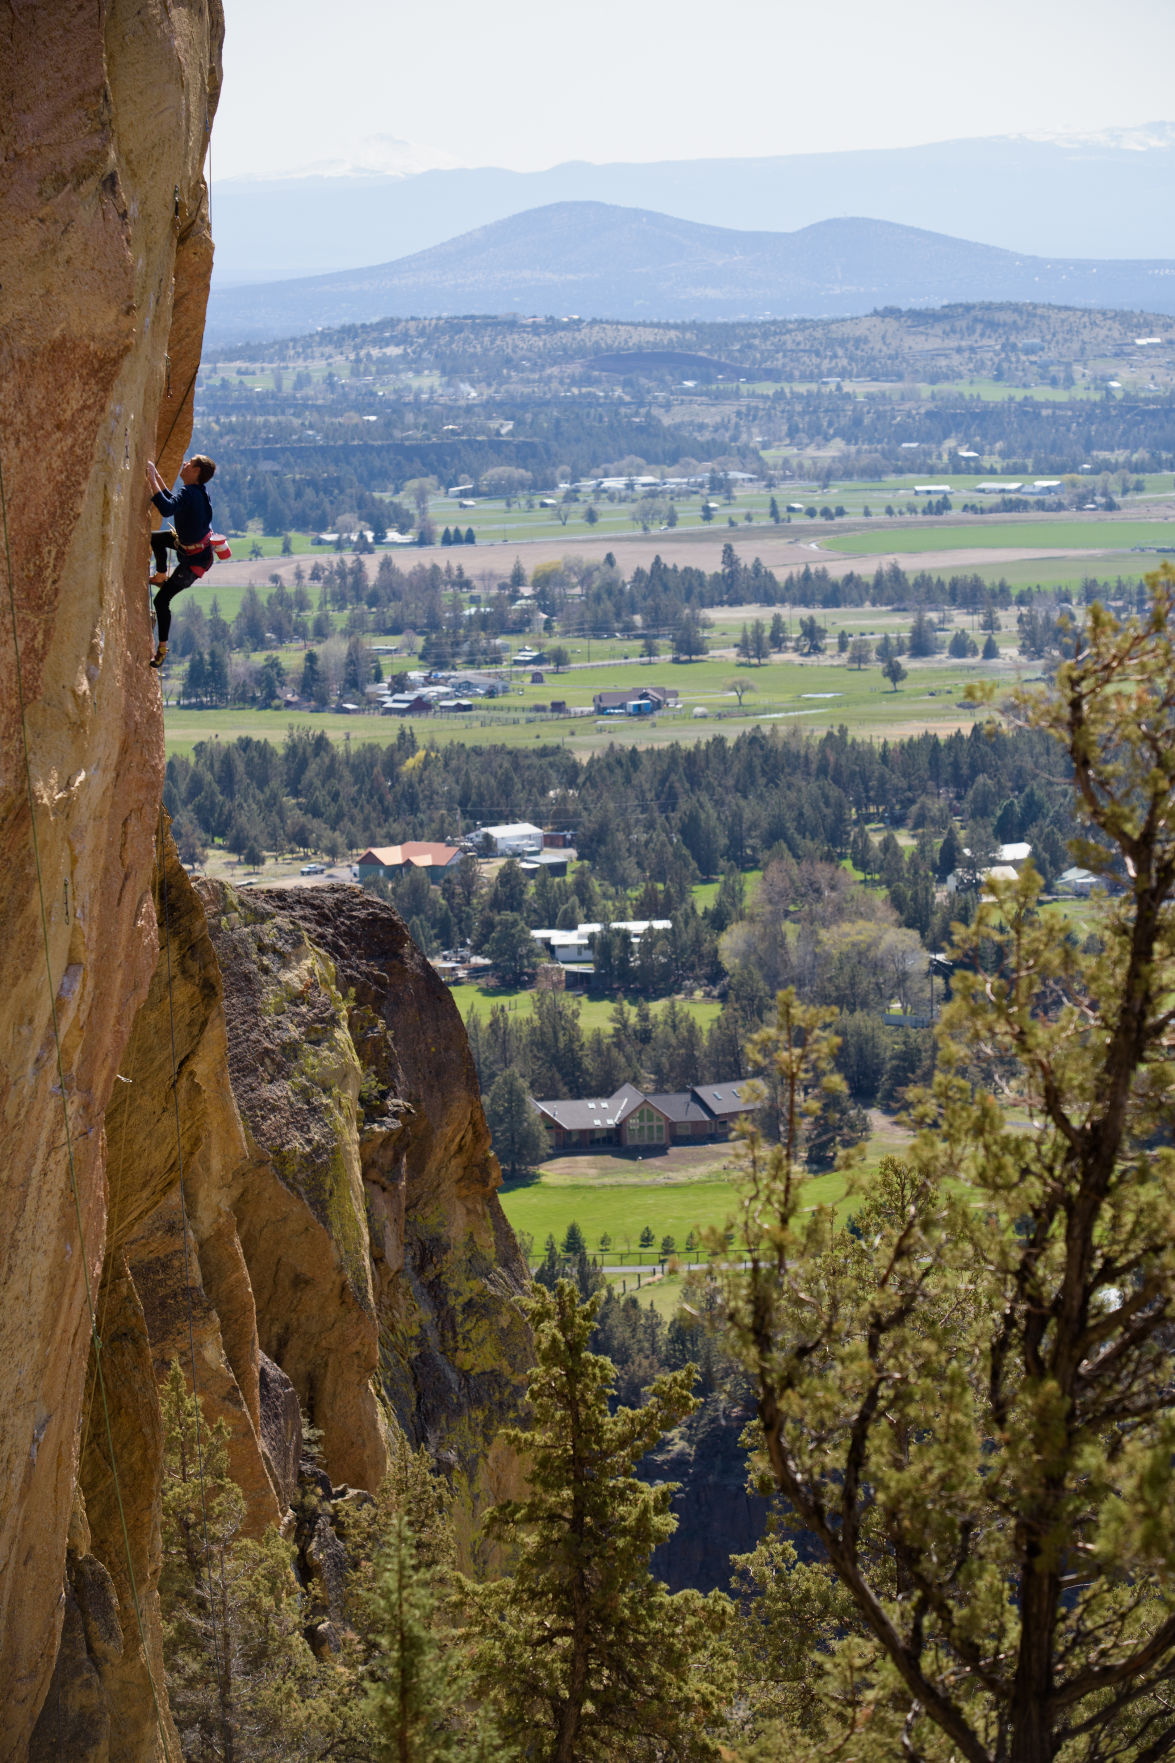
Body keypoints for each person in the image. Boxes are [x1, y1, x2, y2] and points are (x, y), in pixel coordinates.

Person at [146, 454, 217, 669]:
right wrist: (156, 477)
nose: (184, 463)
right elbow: (173, 502)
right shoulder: (197, 493)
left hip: (192, 564)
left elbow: (167, 508)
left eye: (189, 462)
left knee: (161, 601)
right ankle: (160, 575)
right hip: (192, 550)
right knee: (154, 539)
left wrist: (151, 478)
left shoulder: (191, 493)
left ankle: (162, 650)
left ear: (196, 471)